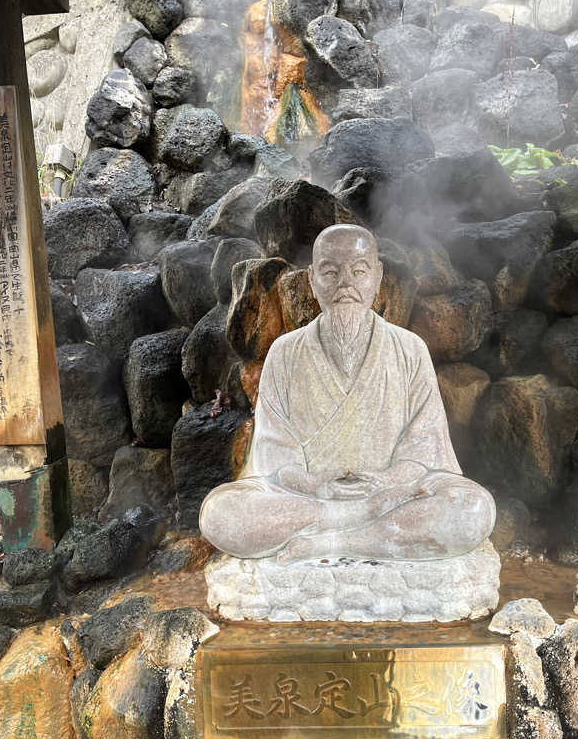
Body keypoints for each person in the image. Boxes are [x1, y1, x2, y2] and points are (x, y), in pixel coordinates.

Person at [200, 224, 495, 563]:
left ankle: (343, 544)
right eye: (330, 271)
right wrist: (316, 487)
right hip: (310, 498)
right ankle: (355, 522)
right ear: (311, 279)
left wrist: (386, 482)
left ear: (378, 275)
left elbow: (425, 449)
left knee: (473, 508)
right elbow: (273, 458)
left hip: (393, 493)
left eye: (359, 271)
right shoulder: (285, 353)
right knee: (220, 513)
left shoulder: (410, 349)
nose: (346, 285)